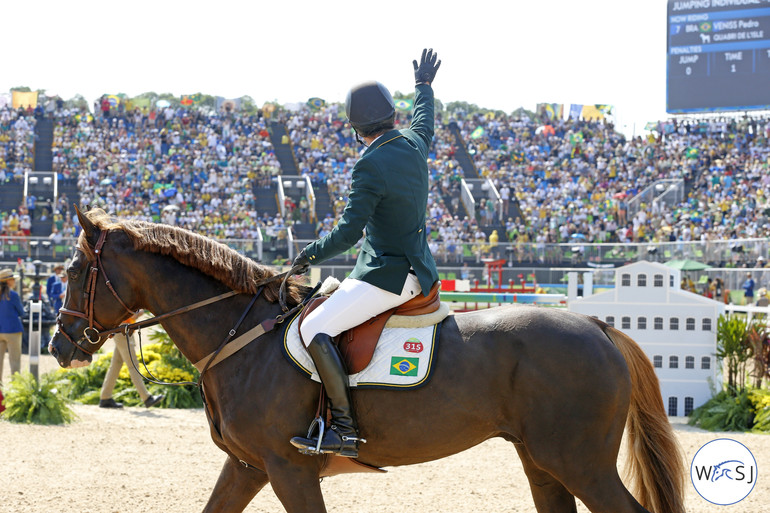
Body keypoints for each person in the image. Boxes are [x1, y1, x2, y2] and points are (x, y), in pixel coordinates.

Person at [289, 49, 442, 458]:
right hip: (419, 270)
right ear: (393, 116)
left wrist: (308, 255)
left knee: (311, 329)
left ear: (356, 129)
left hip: (388, 277)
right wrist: (424, 87)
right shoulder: (414, 142)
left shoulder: (369, 165)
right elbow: (424, 119)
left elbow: (347, 234)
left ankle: (344, 429)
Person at [99, 315, 164, 409]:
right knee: (133, 365)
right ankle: (146, 398)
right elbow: (129, 314)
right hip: (123, 331)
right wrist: (139, 312)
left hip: (121, 330)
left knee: (116, 365)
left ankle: (105, 398)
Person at [0, 269, 25, 383]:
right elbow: (22, 312)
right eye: (13, 279)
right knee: (14, 361)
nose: (14, 281)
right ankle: (16, 388)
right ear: (8, 281)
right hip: (13, 331)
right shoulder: (13, 295)